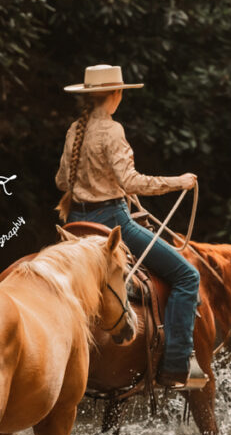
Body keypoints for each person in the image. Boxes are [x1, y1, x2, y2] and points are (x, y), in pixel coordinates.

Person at [55, 64, 199, 388]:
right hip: (112, 221)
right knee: (188, 276)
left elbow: (62, 180)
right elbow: (130, 181)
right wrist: (179, 182)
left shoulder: (74, 130)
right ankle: (175, 367)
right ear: (117, 94)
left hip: (76, 223)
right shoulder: (112, 130)